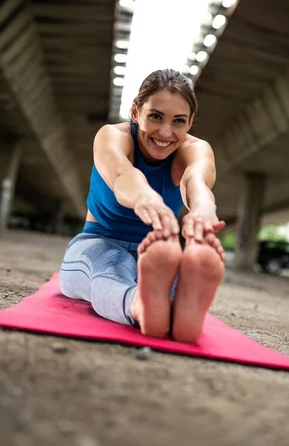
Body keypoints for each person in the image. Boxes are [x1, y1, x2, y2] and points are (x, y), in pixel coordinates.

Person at [59, 69, 226, 343]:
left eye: (179, 121)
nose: (166, 132)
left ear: (190, 122)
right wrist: (146, 199)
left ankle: (178, 307)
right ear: (135, 112)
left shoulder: (196, 149)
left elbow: (195, 182)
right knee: (110, 268)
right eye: (156, 116)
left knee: (166, 283)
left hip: (160, 251)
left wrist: (203, 209)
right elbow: (123, 175)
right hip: (99, 241)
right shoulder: (112, 136)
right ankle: (142, 306)